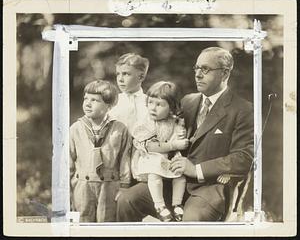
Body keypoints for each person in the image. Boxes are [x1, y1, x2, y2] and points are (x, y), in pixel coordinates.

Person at [117, 47, 253, 222]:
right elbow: (160, 129)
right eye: (196, 68)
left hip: (209, 189)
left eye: (205, 69)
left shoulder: (243, 109)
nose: (198, 74)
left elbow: (243, 158)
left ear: (225, 74)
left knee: (192, 219)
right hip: (170, 179)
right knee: (126, 200)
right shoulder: (188, 101)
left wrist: (195, 170)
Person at [69, 80, 132, 222]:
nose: (88, 103)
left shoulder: (120, 129)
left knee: (107, 221)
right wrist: (67, 188)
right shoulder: (76, 129)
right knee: (83, 221)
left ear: (109, 106)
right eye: (86, 98)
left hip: (110, 186)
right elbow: (68, 161)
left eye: (95, 100)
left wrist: (124, 186)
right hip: (82, 186)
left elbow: (125, 160)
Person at [132, 81, 189, 222]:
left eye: (159, 104)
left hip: (168, 157)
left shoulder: (173, 121)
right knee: (154, 175)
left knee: (180, 176)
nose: (153, 108)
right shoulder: (146, 123)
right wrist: (175, 144)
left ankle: (177, 203)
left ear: (171, 108)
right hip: (151, 157)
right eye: (150, 103)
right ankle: (160, 206)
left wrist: (180, 134)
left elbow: (177, 135)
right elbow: (151, 146)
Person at [109, 53, 150, 135]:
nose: (120, 79)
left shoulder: (150, 102)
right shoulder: (112, 102)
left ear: (141, 77)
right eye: (118, 74)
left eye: (126, 74)